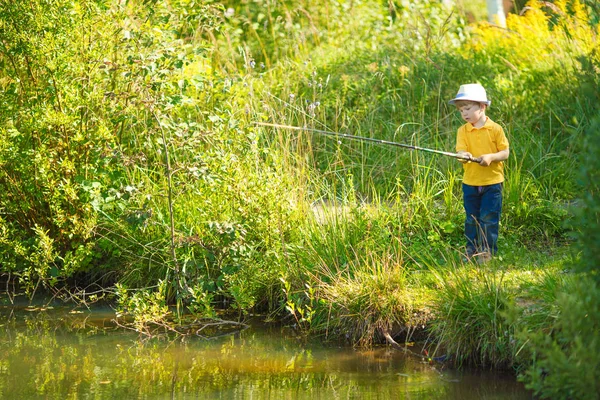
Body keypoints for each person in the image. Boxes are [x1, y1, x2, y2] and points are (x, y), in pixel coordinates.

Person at [449, 83, 510, 264]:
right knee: (472, 218)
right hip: (470, 182)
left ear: (482, 107)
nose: (464, 114)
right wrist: (464, 156)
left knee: (489, 217)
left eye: (467, 109)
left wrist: (491, 157)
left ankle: (487, 251)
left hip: (492, 182)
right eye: (461, 111)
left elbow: (505, 153)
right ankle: (471, 249)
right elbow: (460, 152)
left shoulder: (495, 129)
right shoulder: (463, 131)